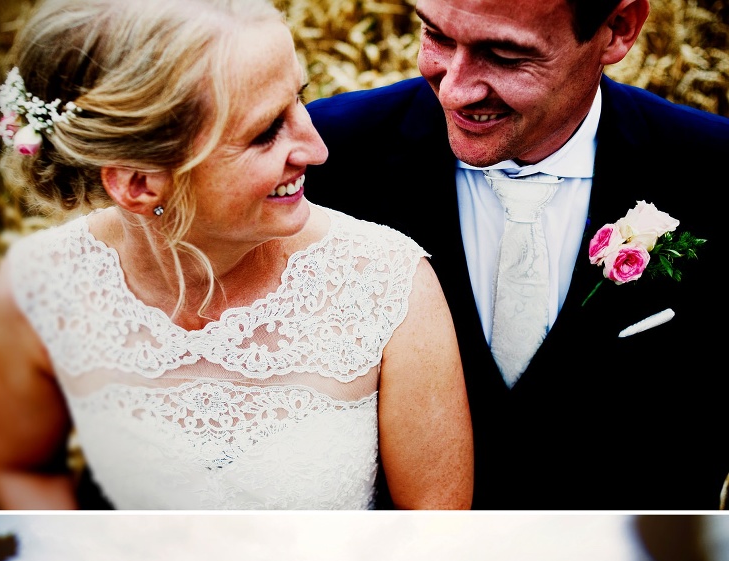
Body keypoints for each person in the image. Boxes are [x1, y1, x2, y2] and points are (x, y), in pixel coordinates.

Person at [0, 0, 472, 513]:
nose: (316, 147)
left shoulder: (387, 286)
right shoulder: (41, 285)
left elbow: (434, 535)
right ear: (139, 182)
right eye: (265, 132)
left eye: (299, 101)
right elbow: (24, 471)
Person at [305, 0, 729, 512]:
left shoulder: (714, 171)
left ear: (618, 30)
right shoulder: (323, 158)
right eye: (436, 36)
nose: (456, 89)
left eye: (505, 56)